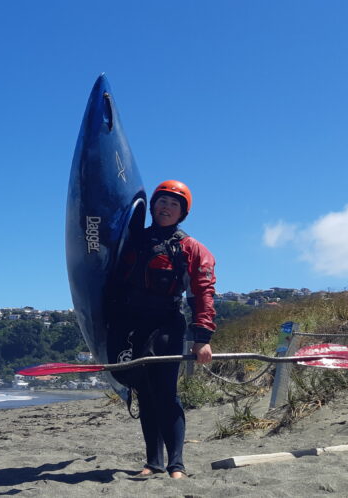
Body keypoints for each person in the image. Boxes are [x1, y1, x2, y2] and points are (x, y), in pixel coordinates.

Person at [110, 179, 216, 479]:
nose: (166, 207)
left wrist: (201, 338)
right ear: (152, 205)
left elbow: (202, 293)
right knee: (144, 393)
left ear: (182, 212)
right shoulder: (132, 242)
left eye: (174, 204)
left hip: (167, 325)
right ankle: (153, 462)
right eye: (162, 201)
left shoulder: (192, 248)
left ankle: (176, 465)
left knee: (166, 394)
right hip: (134, 325)